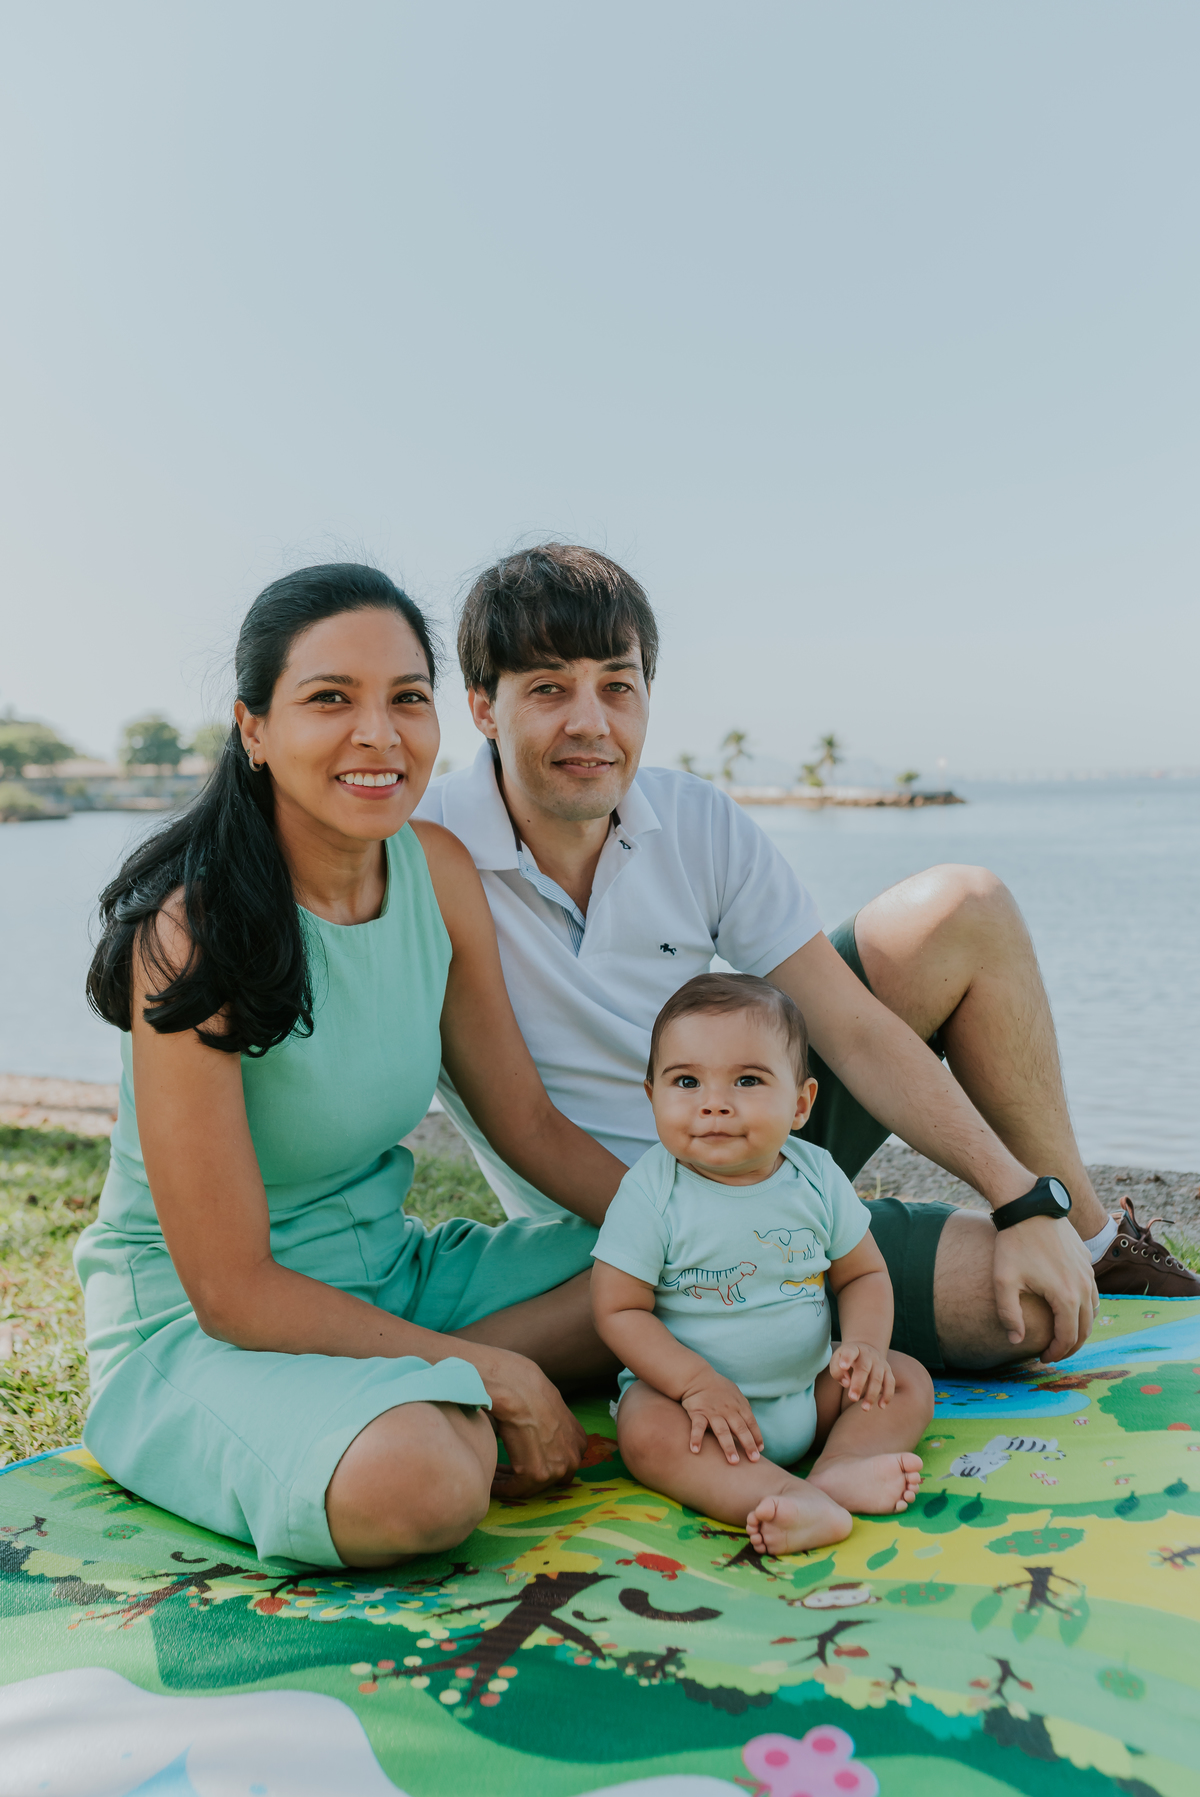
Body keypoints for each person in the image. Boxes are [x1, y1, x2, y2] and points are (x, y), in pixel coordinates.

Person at [416, 543, 1198, 1380]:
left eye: (617, 684)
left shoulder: (692, 819)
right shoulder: (425, 858)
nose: (590, 722)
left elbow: (851, 1027)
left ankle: (1089, 1233)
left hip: (759, 1124)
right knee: (1034, 1311)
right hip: (615, 1222)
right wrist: (723, 1223)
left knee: (965, 909)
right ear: (482, 708)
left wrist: (1019, 1194)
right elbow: (507, 1118)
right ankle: (853, 1243)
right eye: (547, 689)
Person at [79, 563, 631, 1570]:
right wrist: (493, 1374)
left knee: (674, 1270)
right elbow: (233, 1292)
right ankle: (447, 1407)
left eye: (406, 700)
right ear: (254, 729)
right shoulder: (195, 934)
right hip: (203, 1338)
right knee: (420, 1479)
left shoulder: (439, 873)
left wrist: (697, 1223)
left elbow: (530, 1125)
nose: (379, 735)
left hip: (391, 1283)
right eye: (330, 699)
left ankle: (446, 1390)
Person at [592, 974, 933, 1557]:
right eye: (686, 1080)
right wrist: (695, 1384)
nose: (715, 1102)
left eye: (747, 1080)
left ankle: (841, 1466)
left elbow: (863, 1275)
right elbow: (618, 1309)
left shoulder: (815, 1176)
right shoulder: (652, 1191)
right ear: (651, 1096)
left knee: (906, 1380)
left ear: (800, 1104)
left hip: (808, 1391)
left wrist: (867, 1348)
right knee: (644, 1430)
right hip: (693, 1411)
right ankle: (777, 1494)